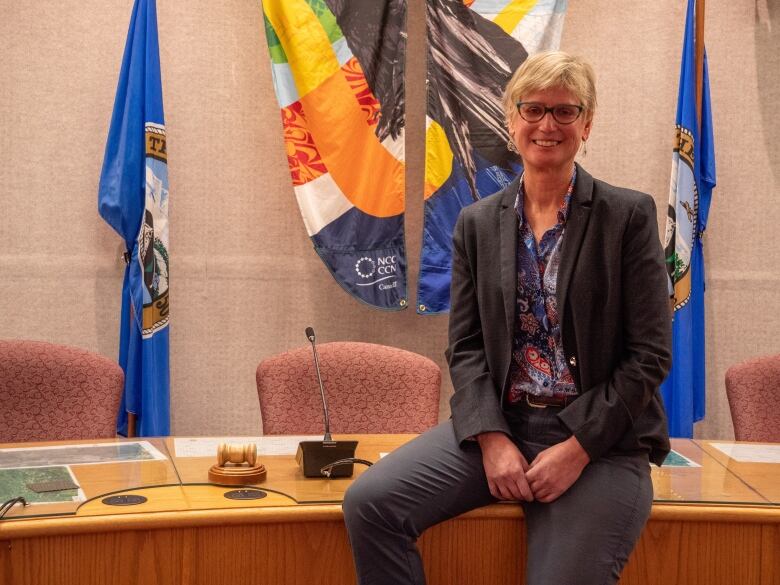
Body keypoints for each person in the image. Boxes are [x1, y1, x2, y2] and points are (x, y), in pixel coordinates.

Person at [342, 51, 672, 585]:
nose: (547, 125)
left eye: (565, 112)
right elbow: (466, 347)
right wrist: (492, 439)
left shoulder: (627, 216)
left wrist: (577, 449)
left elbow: (649, 357)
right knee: (369, 503)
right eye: (533, 109)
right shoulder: (476, 223)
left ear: (587, 124)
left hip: (601, 441)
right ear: (510, 118)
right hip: (502, 425)